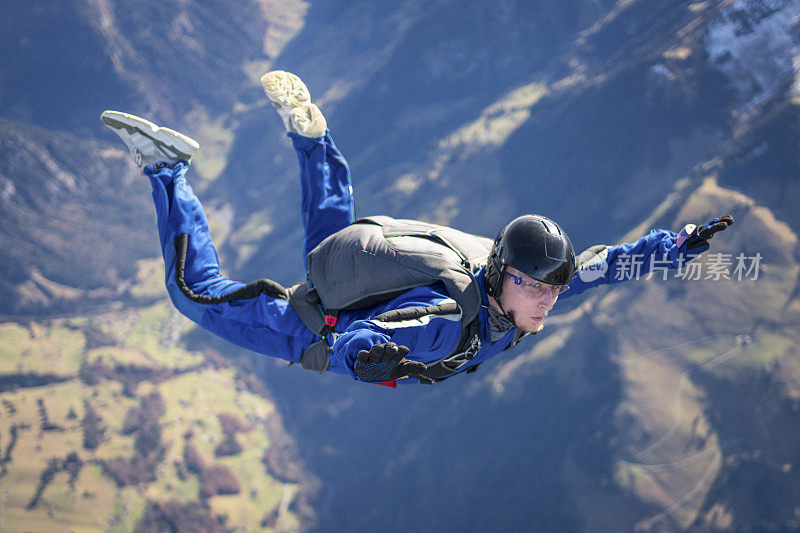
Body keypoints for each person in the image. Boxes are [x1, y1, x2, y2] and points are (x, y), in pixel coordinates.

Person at [101, 71, 734, 387]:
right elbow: (378, 334)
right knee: (194, 294)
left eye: (550, 286)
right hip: (317, 325)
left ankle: (315, 140)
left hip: (359, 262)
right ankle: (167, 169)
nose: (548, 296)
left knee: (329, 246)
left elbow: (597, 267)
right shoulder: (442, 318)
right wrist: (364, 358)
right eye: (536, 285)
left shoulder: (516, 286)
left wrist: (675, 247)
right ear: (502, 278)